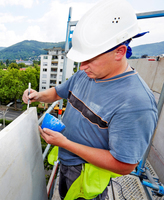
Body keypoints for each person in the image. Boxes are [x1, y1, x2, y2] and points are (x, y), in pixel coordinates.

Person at [22, 0, 158, 199]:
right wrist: (37, 96)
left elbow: (125, 165)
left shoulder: (136, 103)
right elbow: (59, 92)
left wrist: (65, 143)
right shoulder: (87, 74)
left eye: (90, 58)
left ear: (119, 52)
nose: (83, 66)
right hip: (67, 163)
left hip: (87, 176)